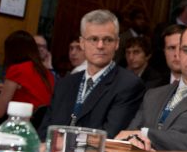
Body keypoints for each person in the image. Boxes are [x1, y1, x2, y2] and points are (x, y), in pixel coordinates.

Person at [38, 10, 145, 139]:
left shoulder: (128, 85)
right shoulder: (65, 83)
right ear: (82, 43)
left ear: (117, 43)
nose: (100, 46)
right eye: (93, 39)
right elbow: (44, 132)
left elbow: (109, 136)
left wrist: (65, 146)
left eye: (107, 40)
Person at [115, 22, 187, 151]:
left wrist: (147, 134)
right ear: (179, 53)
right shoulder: (153, 95)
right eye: (186, 50)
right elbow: (129, 134)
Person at [0, 30, 55, 120]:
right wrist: (7, 88)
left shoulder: (17, 69)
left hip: (20, 126)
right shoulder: (48, 73)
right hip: (39, 128)